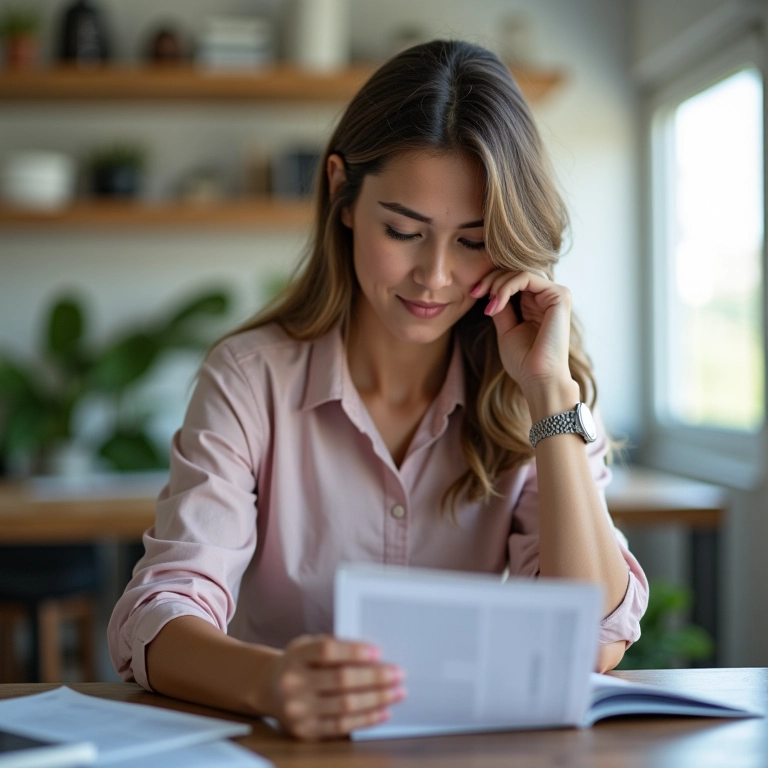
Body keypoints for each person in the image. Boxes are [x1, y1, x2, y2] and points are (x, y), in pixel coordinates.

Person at [108, 39, 648, 742]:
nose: (435, 276)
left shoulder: (545, 393)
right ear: (342, 193)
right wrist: (271, 682)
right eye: (404, 230)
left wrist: (549, 396)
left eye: (473, 240)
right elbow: (157, 613)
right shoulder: (250, 379)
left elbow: (594, 637)